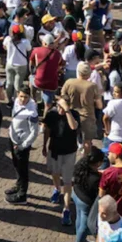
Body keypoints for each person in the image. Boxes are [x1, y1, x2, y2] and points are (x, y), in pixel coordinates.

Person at [42, 94, 79, 226]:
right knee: (54, 173)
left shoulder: (74, 114)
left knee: (68, 181)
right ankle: (57, 189)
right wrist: (44, 146)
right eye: (59, 106)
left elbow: (74, 127)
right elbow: (47, 130)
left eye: (62, 107)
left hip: (69, 153)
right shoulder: (52, 114)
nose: (60, 110)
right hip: (54, 151)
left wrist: (67, 111)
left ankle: (67, 208)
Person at [6, 87, 39, 204]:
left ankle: (22, 194)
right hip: (13, 139)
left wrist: (23, 145)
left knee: (23, 169)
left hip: (21, 144)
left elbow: (35, 132)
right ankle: (18, 185)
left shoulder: (32, 112)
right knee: (16, 165)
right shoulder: (16, 101)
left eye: (26, 97)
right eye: (21, 96)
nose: (23, 99)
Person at [61, 62, 101, 154]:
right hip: (87, 116)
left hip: (71, 115)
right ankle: (85, 160)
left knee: (69, 138)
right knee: (88, 141)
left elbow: (63, 97)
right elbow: (99, 105)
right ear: (89, 74)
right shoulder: (92, 86)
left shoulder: (69, 82)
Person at [72, 150, 105, 242]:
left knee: (79, 218)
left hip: (76, 194)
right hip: (85, 201)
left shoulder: (80, 165)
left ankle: (80, 240)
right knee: (85, 225)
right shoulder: (96, 178)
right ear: (98, 163)